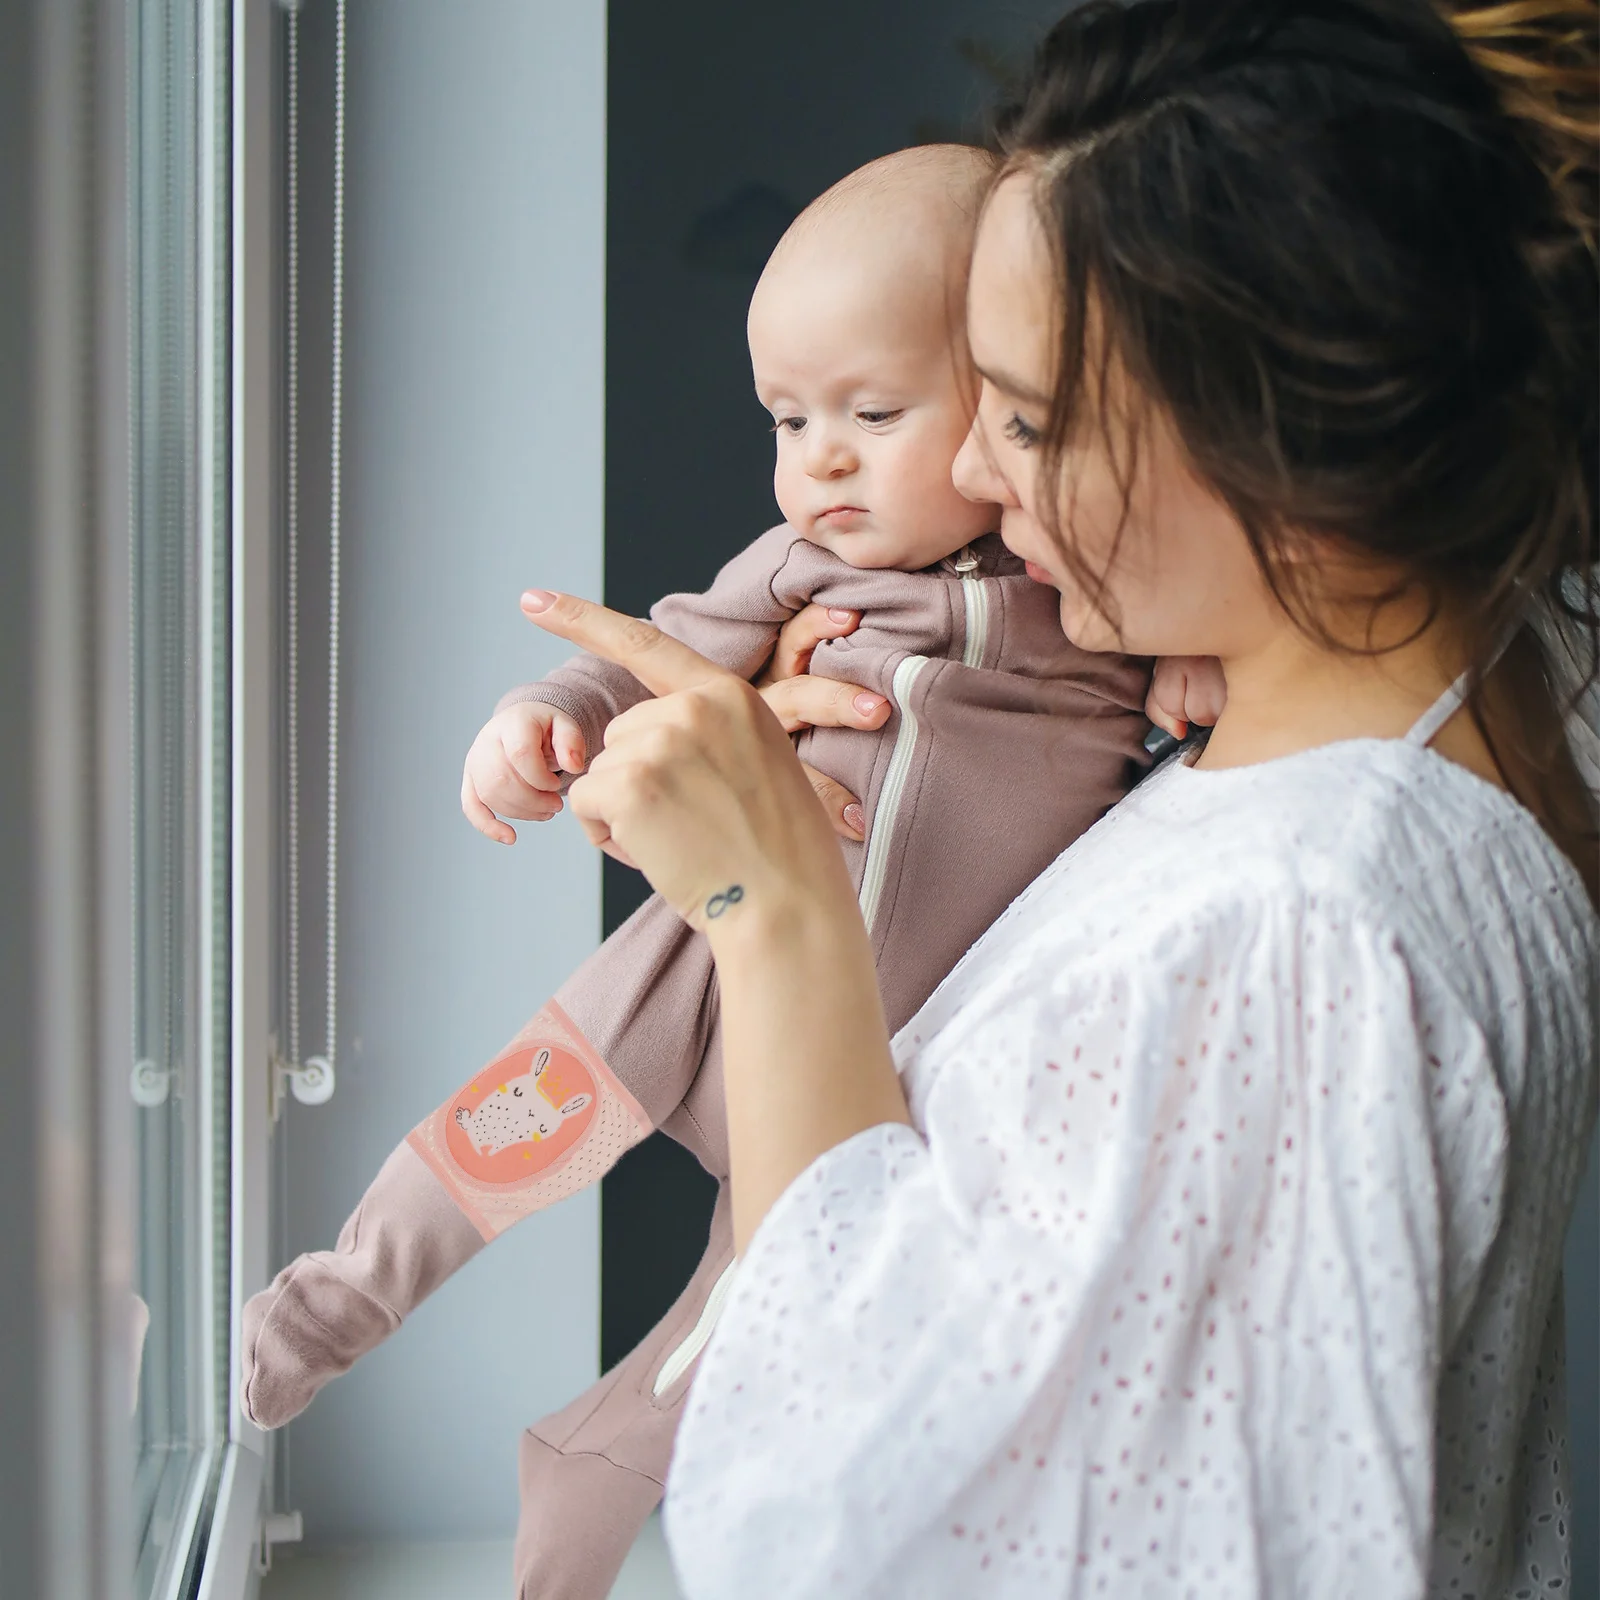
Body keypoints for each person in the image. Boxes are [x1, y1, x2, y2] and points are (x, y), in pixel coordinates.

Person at [502, 2, 1600, 1595]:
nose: (976, 475)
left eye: (1024, 415)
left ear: (1270, 444)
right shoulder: (1472, 711)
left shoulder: (1288, 941)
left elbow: (868, 1540)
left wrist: (772, 904)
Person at [238, 145, 1155, 1599]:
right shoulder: (801, 570)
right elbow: (657, 651)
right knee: (523, 1113)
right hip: (707, 965)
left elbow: (1176, 668)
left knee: (743, 1323)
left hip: (872, 1058)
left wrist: (1197, 681)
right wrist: (545, 719)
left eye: (873, 412)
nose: (821, 461)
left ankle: (579, 1482)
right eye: (788, 419)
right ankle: (334, 1300)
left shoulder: (1093, 579)